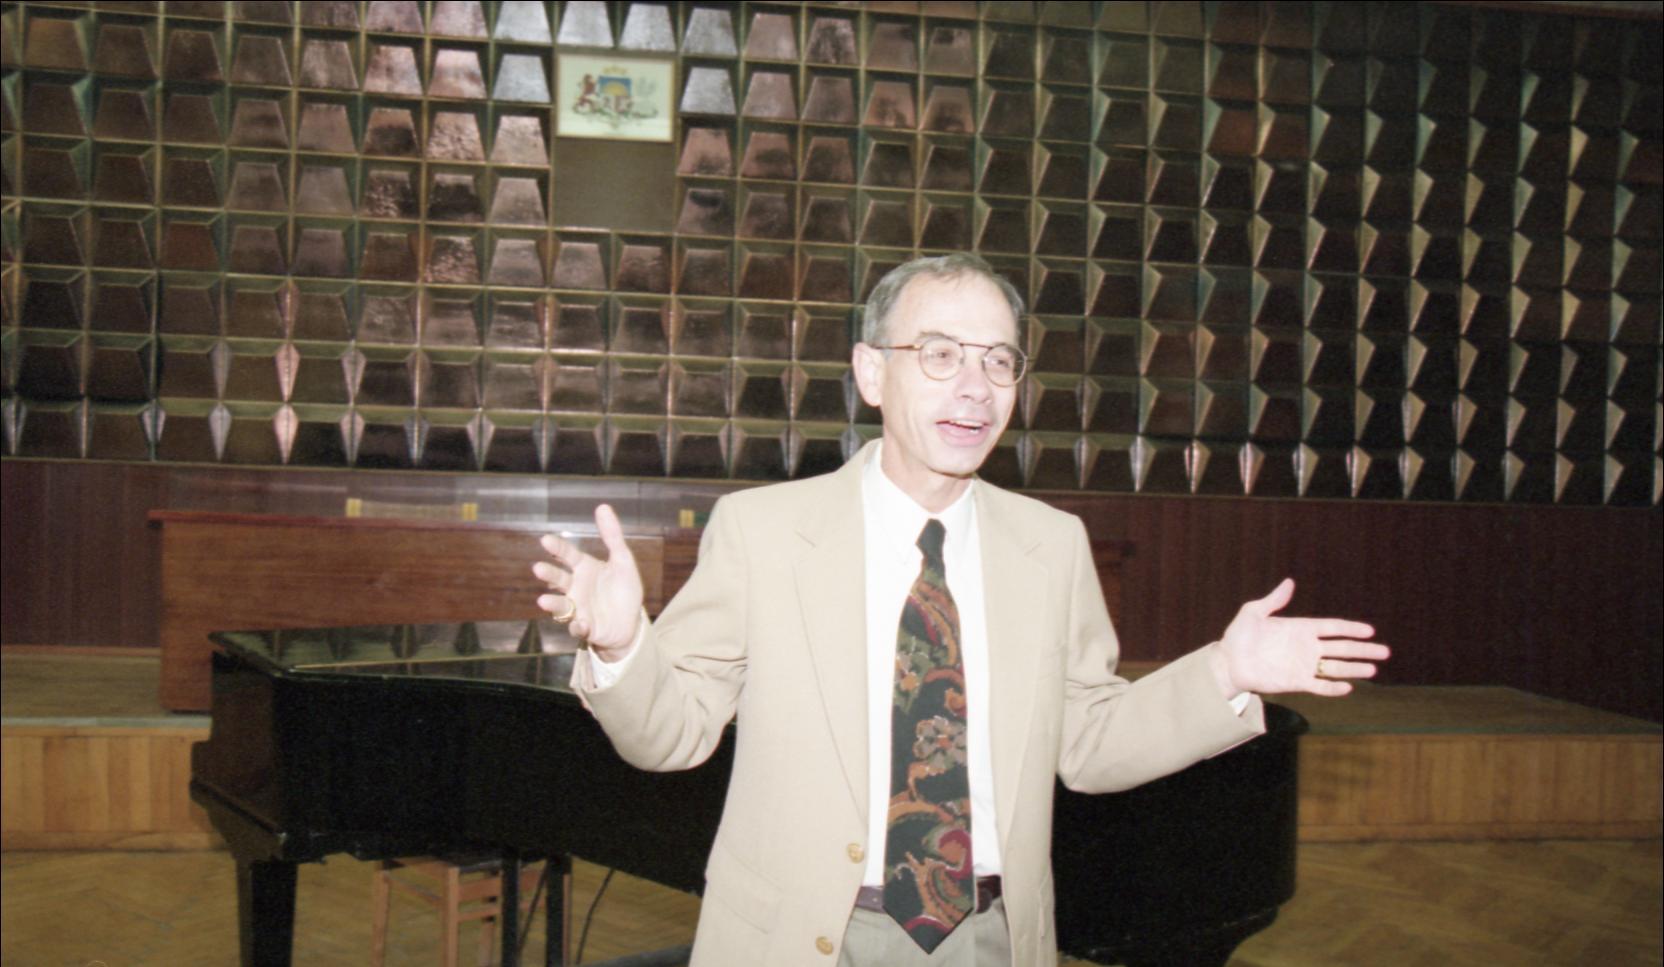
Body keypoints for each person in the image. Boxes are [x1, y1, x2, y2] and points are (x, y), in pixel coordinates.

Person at [533, 254, 1388, 967]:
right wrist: (622, 645)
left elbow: (1089, 741)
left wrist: (1226, 671)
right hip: (802, 938)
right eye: (939, 354)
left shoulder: (1051, 545)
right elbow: (670, 734)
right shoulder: (763, 532)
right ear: (873, 372)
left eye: (998, 360)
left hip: (992, 939)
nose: (975, 387)